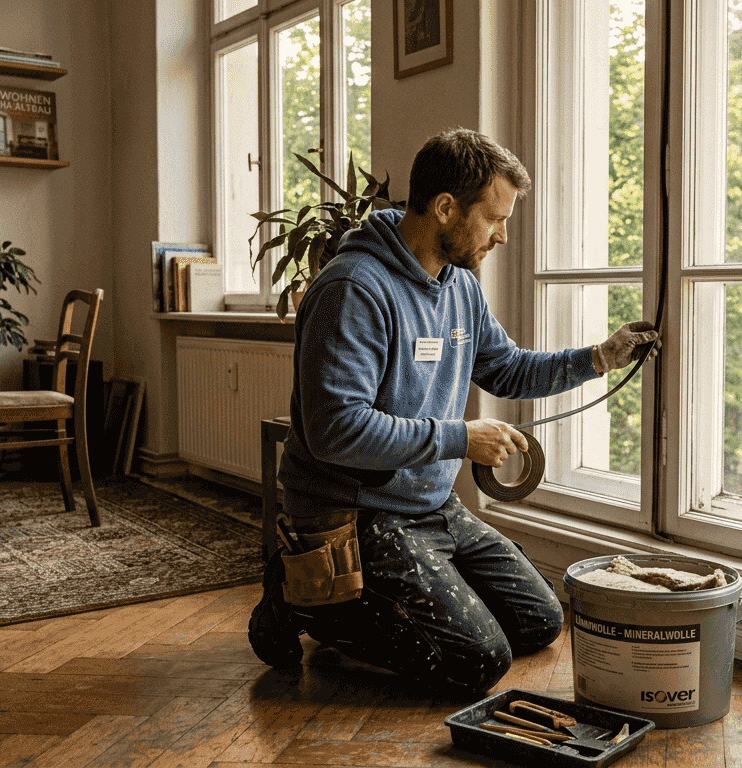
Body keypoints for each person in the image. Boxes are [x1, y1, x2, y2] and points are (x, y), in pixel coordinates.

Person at [248, 128, 658, 697]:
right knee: (477, 661)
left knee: (540, 621)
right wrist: (461, 438)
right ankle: (303, 593)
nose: (504, 235)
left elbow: (507, 368)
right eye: (494, 219)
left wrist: (599, 357)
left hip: (431, 505)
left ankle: (372, 590)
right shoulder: (353, 291)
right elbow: (335, 432)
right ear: (445, 208)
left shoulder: (458, 284)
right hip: (358, 512)